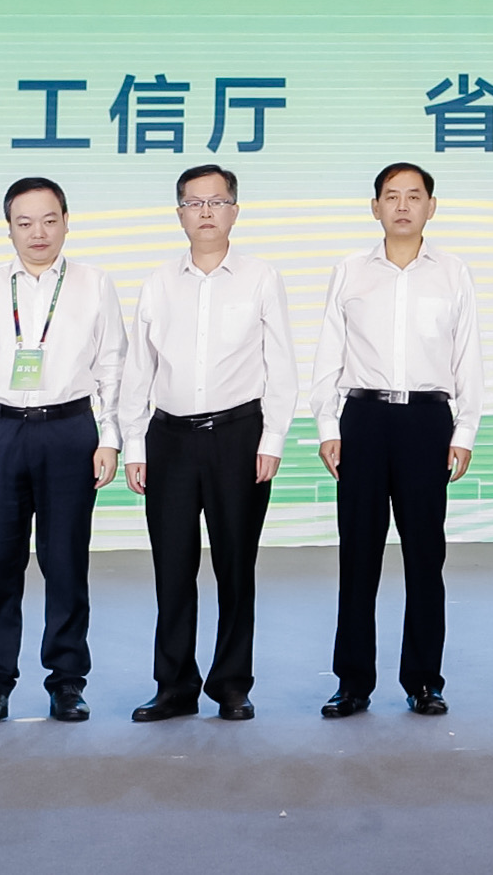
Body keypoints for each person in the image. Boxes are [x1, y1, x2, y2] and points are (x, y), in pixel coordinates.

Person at [0, 177, 125, 727]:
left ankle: (67, 683)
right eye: (24, 222)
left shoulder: (94, 284)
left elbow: (113, 366)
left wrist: (110, 437)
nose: (38, 232)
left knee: (65, 562)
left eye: (49, 220)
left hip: (69, 431)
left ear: (67, 222)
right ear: (9, 229)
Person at [121, 164, 296, 723]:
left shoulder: (261, 277)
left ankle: (231, 685)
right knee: (172, 569)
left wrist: (272, 437)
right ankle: (174, 686)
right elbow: (138, 368)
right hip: (169, 438)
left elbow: (280, 363)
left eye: (216, 202)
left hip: (238, 437)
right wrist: (134, 444)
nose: (205, 212)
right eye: (194, 203)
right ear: (179, 214)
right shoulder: (158, 282)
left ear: (234, 212)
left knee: (235, 567)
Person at [309, 163, 482, 718]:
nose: (402, 206)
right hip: (363, 418)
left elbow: (468, 356)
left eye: (414, 196)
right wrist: (328, 426)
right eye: (391, 196)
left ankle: (424, 680)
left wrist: (465, 430)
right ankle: (352, 682)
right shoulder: (350, 271)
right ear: (375, 207)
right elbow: (329, 352)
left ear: (432, 206)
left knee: (425, 557)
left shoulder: (453, 273)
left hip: (428, 421)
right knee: (358, 556)